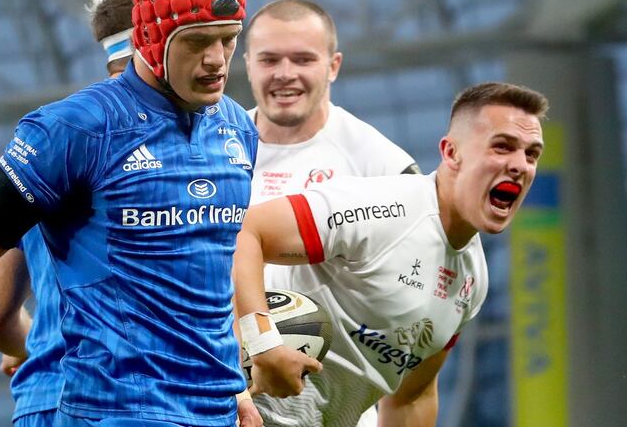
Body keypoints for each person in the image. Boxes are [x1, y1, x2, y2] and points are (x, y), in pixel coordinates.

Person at [0, 0, 265, 426]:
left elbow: (210, 281)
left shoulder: (237, 129)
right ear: (147, 38)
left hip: (213, 411)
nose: (217, 59)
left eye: (229, 39)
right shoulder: (76, 128)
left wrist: (232, 385)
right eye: (198, 42)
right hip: (113, 411)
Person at [234, 82, 548, 427]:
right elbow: (247, 232)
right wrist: (263, 344)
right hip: (233, 411)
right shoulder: (382, 208)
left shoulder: (475, 279)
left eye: (531, 154)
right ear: (451, 153)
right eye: (502, 147)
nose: (520, 165)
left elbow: (413, 394)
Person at [241, 0, 418, 427]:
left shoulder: (384, 168)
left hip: (330, 408)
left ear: (333, 65)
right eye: (269, 60)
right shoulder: (213, 151)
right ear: (246, 64)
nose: (285, 73)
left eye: (303, 59)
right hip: (230, 398)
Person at [0, 0, 140, 427]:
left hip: (45, 398)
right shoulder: (193, 143)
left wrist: (41, 346)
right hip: (134, 399)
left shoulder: (52, 141)